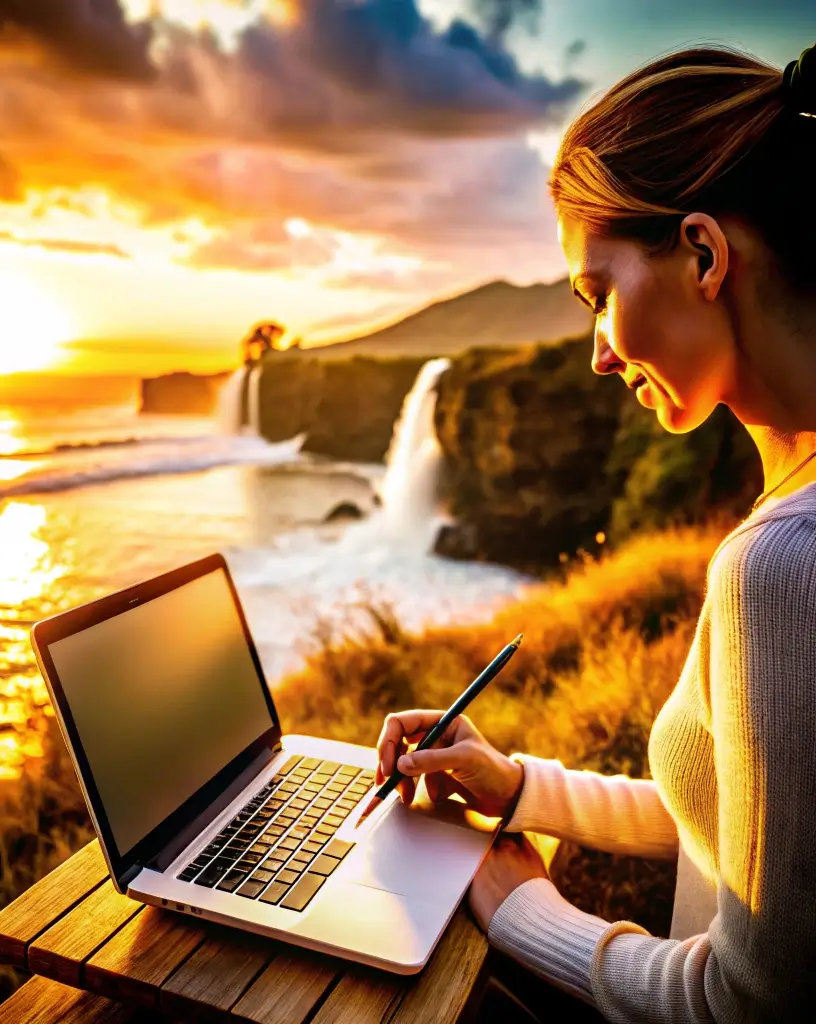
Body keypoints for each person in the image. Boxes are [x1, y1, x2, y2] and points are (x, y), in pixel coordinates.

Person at [375, 42, 816, 1022]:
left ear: (702, 254)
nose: (597, 354)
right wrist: (516, 784)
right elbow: (749, 832)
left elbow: (744, 1001)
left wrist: (516, 903)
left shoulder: (786, 561)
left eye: (597, 293)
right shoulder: (790, 505)